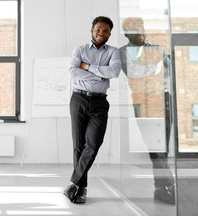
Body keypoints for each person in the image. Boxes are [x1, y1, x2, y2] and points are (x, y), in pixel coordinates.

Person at [64, 16, 121, 204]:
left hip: (99, 103)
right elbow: (73, 72)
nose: (101, 33)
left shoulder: (113, 52)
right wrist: (99, 75)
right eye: (98, 29)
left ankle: (73, 182)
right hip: (78, 99)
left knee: (94, 144)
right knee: (78, 146)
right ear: (92, 30)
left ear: (110, 33)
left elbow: (114, 72)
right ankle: (81, 189)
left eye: (105, 30)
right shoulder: (79, 49)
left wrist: (87, 67)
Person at [119, 17, 175, 204]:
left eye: (141, 27)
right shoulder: (124, 52)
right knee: (155, 146)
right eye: (134, 29)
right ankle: (168, 186)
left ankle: (161, 188)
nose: (140, 31)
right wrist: (153, 68)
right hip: (144, 102)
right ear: (126, 34)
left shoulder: (157, 49)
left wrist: (150, 72)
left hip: (164, 100)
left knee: (163, 147)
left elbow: (169, 71)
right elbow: (134, 73)